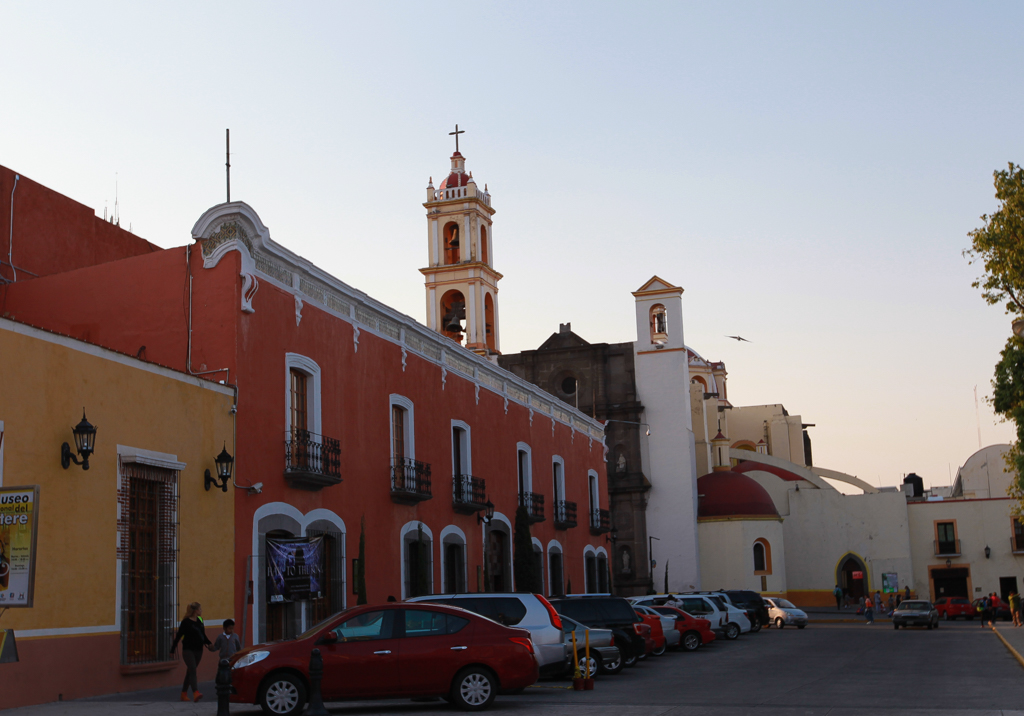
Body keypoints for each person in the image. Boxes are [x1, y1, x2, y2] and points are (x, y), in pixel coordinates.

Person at [171, 602, 212, 702]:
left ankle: (183, 694)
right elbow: (179, 636)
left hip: (199, 650)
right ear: (195, 611)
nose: (201, 611)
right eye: (200, 609)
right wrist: (172, 650)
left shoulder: (200, 620)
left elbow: (203, 634)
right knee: (193, 669)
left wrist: (209, 643)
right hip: (188, 650)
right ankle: (195, 692)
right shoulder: (185, 622)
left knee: (190, 671)